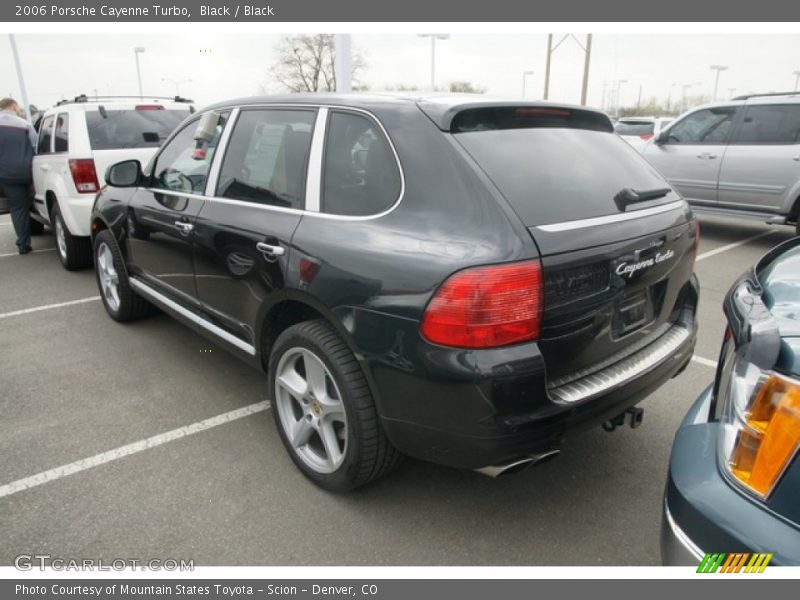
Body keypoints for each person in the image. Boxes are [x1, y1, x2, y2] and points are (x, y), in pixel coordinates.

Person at [0, 97, 38, 254]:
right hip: (27, 172)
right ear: (14, 106)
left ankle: (23, 244)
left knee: (17, 208)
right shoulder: (25, 124)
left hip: (6, 174)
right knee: (33, 201)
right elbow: (36, 146)